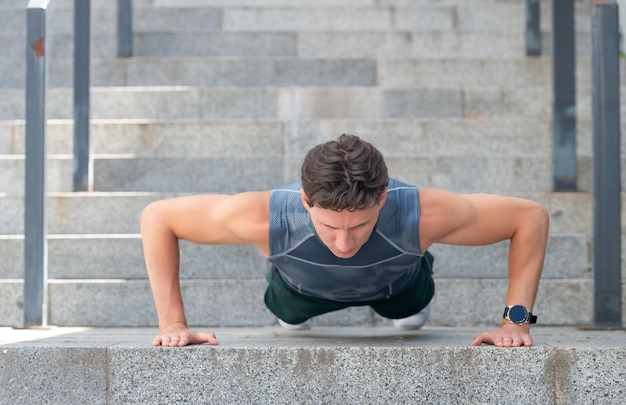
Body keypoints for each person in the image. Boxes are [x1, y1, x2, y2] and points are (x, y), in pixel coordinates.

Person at [141, 134, 549, 348]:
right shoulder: (263, 215)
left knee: (411, 309)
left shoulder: (425, 212)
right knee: (290, 313)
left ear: (382, 197)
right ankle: (294, 311)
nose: (342, 243)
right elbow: (158, 217)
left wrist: (515, 324)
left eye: (358, 226)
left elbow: (529, 217)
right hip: (300, 292)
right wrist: (173, 323)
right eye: (329, 226)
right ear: (305, 201)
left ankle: (406, 305)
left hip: (400, 288)